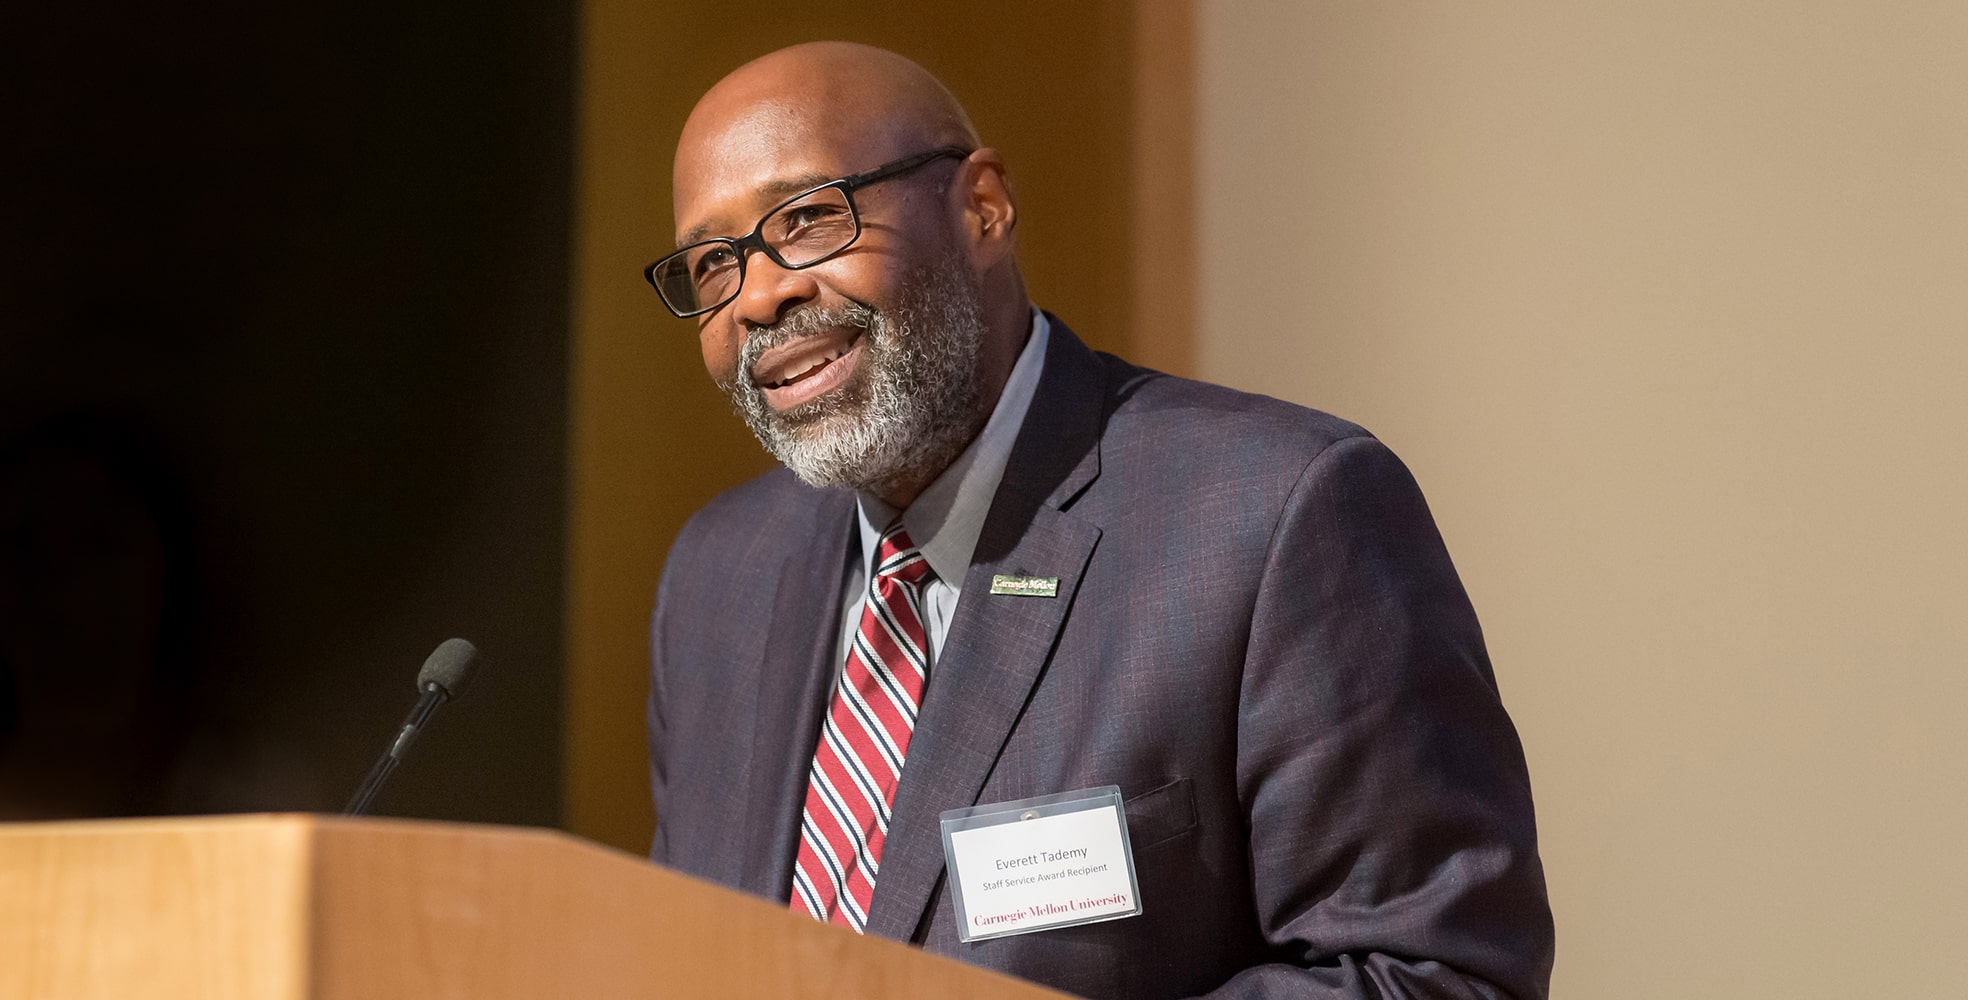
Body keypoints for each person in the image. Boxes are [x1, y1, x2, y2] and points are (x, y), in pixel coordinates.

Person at [644, 41, 1553, 1000]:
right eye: (711, 266)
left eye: (810, 218)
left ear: (981, 208)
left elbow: (1437, 973)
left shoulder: (1278, 513)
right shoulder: (720, 579)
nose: (757, 296)